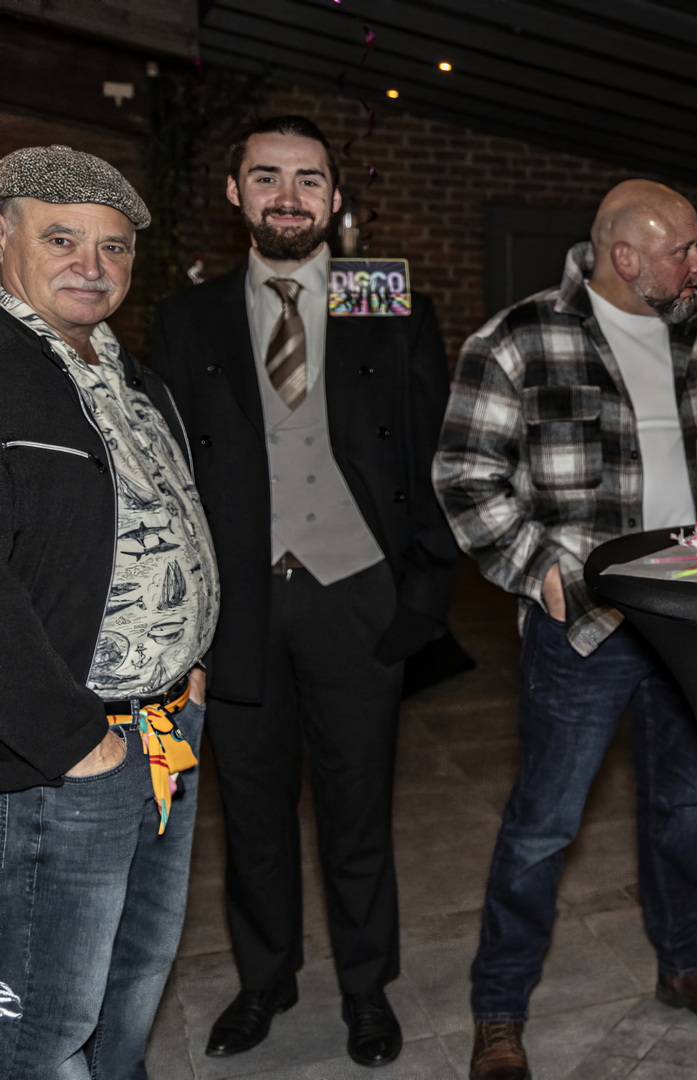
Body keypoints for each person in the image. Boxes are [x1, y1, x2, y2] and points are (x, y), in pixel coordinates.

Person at [148, 115, 458, 1067]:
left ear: (335, 197)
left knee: (359, 812)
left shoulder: (384, 297)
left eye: (309, 180)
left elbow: (436, 455)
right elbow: (167, 473)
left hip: (356, 593)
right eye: (267, 177)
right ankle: (264, 980)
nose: (289, 197)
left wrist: (421, 594)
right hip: (239, 604)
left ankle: (367, 989)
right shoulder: (188, 316)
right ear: (234, 192)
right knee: (251, 814)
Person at [434, 179, 697, 1080]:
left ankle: (688, 961)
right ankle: (499, 1011)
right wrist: (543, 575)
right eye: (683, 249)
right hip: (585, 628)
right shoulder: (518, 339)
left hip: (693, 617)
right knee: (543, 827)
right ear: (624, 256)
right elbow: (464, 476)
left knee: (682, 810)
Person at [0, 145, 215, 1078]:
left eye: (114, 247)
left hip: (166, 730)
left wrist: (189, 663)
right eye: (62, 239)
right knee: (45, 1024)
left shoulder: (137, 379)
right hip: (61, 758)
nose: (92, 266)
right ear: (1, 238)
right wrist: (74, 742)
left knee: (135, 976)